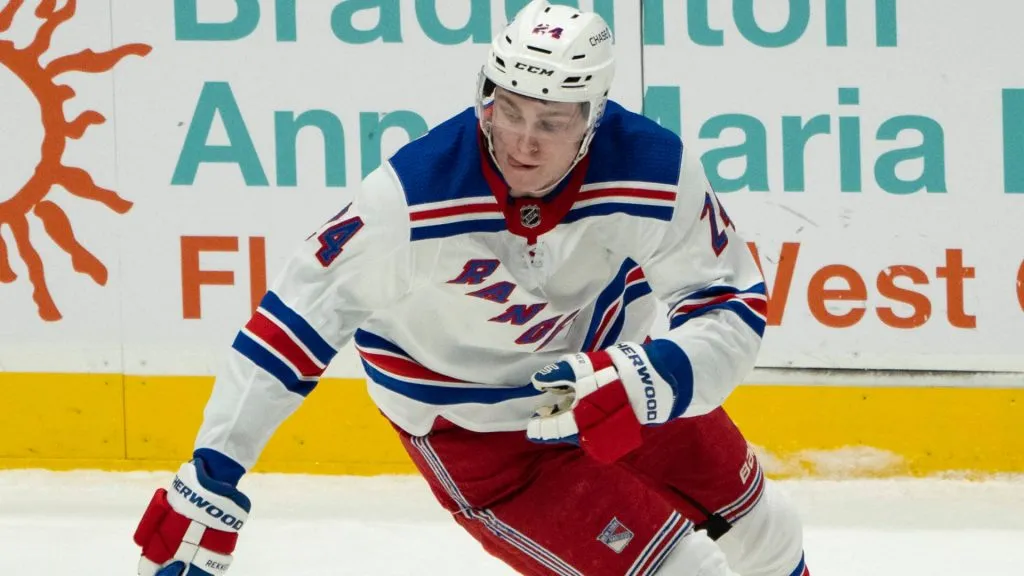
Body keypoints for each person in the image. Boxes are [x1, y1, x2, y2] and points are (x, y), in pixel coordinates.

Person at [132, 1, 810, 574]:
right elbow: (291, 326)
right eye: (509, 110)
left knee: (767, 528)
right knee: (683, 572)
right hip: (483, 438)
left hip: (612, 387)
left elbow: (730, 302)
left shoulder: (653, 170)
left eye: (552, 122)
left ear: (594, 116)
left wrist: (651, 375)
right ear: (486, 92)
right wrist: (213, 472)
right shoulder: (408, 199)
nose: (522, 143)